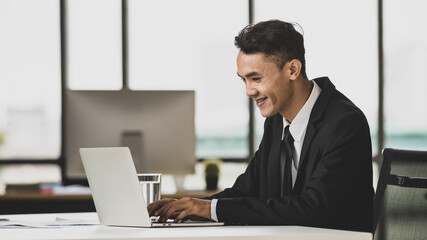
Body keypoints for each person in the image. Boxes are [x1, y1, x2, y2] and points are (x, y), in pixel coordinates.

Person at [148, 19, 373, 233]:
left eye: (256, 78)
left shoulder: (344, 123)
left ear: (292, 70)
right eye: (243, 79)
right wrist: (190, 207)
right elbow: (246, 191)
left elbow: (313, 209)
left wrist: (211, 210)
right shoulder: (276, 122)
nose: (249, 91)